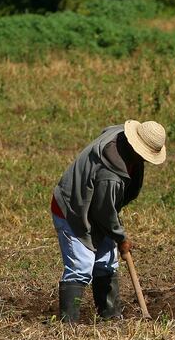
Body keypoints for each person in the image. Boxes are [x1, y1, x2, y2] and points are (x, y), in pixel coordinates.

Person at [52, 120, 166, 322]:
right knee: (81, 265)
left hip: (96, 205)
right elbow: (104, 211)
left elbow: (105, 208)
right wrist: (121, 238)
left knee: (106, 262)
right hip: (73, 208)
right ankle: (68, 322)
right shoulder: (110, 175)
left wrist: (115, 232)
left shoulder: (120, 134)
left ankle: (110, 316)